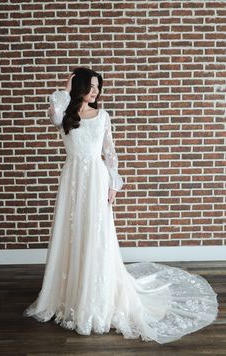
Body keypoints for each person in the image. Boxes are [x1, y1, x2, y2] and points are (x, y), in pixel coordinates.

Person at [23, 66, 219, 344]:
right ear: (78, 86)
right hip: (73, 180)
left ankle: (96, 298)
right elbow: (53, 111)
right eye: (90, 85)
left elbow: (110, 153)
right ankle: (70, 294)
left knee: (96, 237)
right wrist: (65, 91)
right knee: (73, 233)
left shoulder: (102, 116)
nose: (95, 91)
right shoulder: (64, 116)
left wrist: (113, 185)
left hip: (96, 180)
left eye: (97, 86)